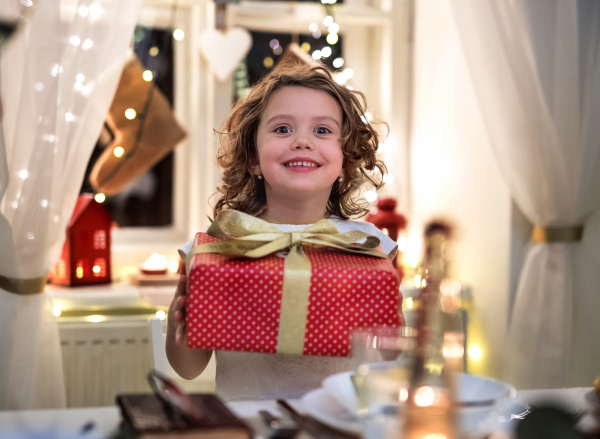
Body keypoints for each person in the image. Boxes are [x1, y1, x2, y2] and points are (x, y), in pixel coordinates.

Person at [166, 60, 400, 401]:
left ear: (345, 159)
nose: (302, 141)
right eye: (282, 129)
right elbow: (188, 368)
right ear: (253, 158)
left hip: (339, 426)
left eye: (322, 130)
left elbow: (388, 357)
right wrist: (179, 323)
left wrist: (389, 314)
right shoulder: (221, 241)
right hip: (248, 428)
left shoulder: (367, 245)